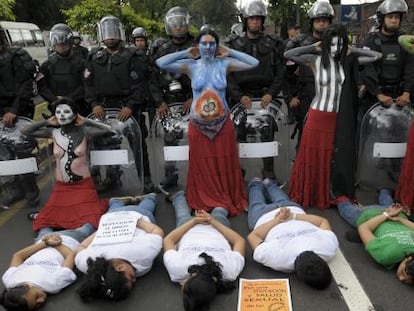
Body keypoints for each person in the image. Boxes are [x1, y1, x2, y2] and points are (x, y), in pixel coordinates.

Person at [156, 28, 258, 215]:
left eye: (212, 43)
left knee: (225, 161)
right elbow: (160, 62)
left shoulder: (225, 64)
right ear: (198, 45)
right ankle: (204, 198)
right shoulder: (190, 65)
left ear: (216, 46)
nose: (208, 47)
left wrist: (230, 51)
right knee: (202, 164)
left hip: (222, 123)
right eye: (204, 43)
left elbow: (254, 62)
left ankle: (229, 196)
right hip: (198, 125)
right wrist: (186, 52)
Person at [284, 24, 381, 210]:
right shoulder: (315, 60)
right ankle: (310, 193)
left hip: (337, 117)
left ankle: (329, 192)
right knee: (312, 157)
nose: (336, 49)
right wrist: (316, 46)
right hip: (317, 115)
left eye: (340, 44)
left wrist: (351, 49)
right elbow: (289, 55)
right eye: (333, 44)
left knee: (331, 158)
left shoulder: (348, 61)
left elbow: (377, 56)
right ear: (326, 44)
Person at [21, 97, 110, 232]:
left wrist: (85, 120)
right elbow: (25, 131)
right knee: (47, 221)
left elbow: (107, 129)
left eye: (66, 112)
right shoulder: (53, 132)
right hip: (62, 188)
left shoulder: (84, 131)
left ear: (74, 115)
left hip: (83, 186)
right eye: (58, 112)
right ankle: (45, 216)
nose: (62, 115)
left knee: (89, 220)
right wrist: (46, 121)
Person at [85, 15, 153, 192]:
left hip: (128, 108)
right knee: (105, 145)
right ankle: (112, 177)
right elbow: (88, 84)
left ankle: (145, 179)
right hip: (103, 109)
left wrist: (130, 106)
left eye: (113, 32)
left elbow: (140, 84)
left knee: (138, 146)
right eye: (106, 32)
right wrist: (94, 104)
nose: (110, 36)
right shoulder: (94, 56)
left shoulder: (133, 55)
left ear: (120, 34)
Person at [226, 0, 285, 179]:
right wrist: (238, 96)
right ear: (245, 20)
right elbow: (226, 74)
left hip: (266, 95)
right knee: (240, 134)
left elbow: (280, 71)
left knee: (267, 132)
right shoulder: (233, 45)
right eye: (252, 18)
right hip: (241, 98)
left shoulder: (273, 43)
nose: (256, 22)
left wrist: (271, 93)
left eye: (259, 18)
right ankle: (240, 169)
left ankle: (268, 169)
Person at [247, 177, 338, 290]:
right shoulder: (278, 260)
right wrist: (291, 216)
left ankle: (264, 183)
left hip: (271, 215)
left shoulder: (329, 248)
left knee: (264, 198)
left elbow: (253, 236)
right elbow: (322, 221)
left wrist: (279, 219)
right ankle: (263, 183)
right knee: (266, 198)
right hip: (285, 211)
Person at [163, 191, 245, 311]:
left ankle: (179, 195)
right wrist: (212, 221)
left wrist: (194, 221)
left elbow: (169, 240)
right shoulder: (229, 271)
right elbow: (239, 241)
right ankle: (217, 193)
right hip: (217, 226)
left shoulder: (177, 271)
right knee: (220, 208)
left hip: (187, 227)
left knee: (182, 212)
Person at [75, 193, 163, 301]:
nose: (135, 279)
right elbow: (81, 247)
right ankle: (117, 201)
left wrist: (135, 220)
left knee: (146, 207)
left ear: (120, 268)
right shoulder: (88, 265)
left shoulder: (143, 254)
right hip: (111, 217)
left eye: (131, 278)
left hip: (137, 215)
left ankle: (150, 197)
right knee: (116, 207)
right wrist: (101, 231)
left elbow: (156, 231)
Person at [149, 6, 194, 189]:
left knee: (196, 139)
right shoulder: (160, 48)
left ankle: (198, 175)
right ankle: (171, 175)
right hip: (168, 101)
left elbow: (205, 74)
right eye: (174, 24)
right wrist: (160, 102)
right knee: (170, 139)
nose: (178, 27)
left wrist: (194, 98)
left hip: (192, 101)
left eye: (181, 23)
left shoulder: (196, 47)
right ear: (169, 26)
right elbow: (152, 77)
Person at [0, 224, 95, 310]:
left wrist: (46, 243)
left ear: (27, 286)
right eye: (36, 306)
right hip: (68, 240)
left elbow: (18, 256)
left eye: (36, 297)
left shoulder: (9, 280)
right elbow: (70, 255)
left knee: (45, 222)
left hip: (42, 240)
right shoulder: (53, 285)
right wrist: (55, 242)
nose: (41, 300)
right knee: (91, 224)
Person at [0, 25, 40, 208]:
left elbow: (25, 86)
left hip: (18, 111)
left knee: (21, 150)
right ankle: (12, 188)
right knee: (4, 155)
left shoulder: (17, 56)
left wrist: (14, 110)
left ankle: (31, 190)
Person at [285, 1, 334, 148]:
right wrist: (291, 96)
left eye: (324, 21)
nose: (321, 24)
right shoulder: (302, 44)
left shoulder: (336, 44)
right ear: (312, 22)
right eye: (318, 20)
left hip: (330, 95)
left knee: (330, 132)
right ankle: (302, 165)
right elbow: (287, 72)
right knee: (305, 131)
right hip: (307, 93)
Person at [336, 198, 414, 284]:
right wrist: (386, 214)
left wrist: (399, 219)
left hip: (398, 213)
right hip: (372, 215)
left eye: (409, 282)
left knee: (387, 202)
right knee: (343, 206)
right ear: (409, 258)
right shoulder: (386, 255)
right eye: (403, 273)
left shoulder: (401, 256)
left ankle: (385, 191)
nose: (401, 278)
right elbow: (363, 227)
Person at [37, 23, 90, 117]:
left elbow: (86, 85)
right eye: (57, 43)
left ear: (70, 42)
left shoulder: (82, 64)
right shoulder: (47, 65)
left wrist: (68, 99)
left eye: (63, 43)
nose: (61, 46)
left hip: (79, 109)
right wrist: (53, 99)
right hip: (56, 109)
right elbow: (41, 86)